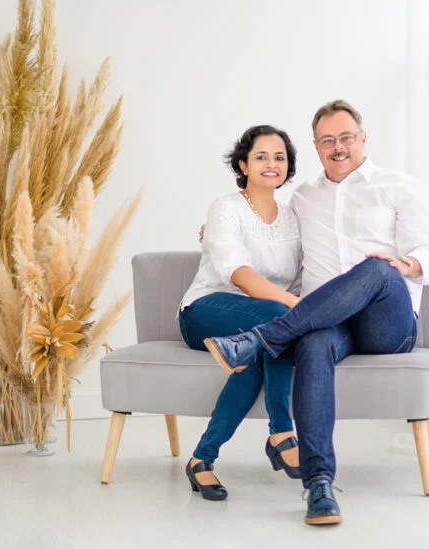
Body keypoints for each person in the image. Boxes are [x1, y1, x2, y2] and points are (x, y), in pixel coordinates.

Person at [204, 100, 429, 525]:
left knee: (376, 267)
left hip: (388, 321)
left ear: (362, 139)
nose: (338, 146)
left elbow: (428, 252)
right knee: (312, 345)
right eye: (328, 140)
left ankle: (261, 339)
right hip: (328, 322)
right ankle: (318, 485)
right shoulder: (303, 199)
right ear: (316, 147)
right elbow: (268, 232)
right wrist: (217, 231)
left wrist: (405, 265)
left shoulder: (398, 186)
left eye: (346, 137)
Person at [179, 125, 303, 501]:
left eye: (279, 157)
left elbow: (299, 276)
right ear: (243, 164)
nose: (271, 164)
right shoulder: (225, 208)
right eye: (261, 156)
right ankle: (282, 431)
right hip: (207, 310)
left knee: (260, 351)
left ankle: (202, 459)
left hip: (260, 325)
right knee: (278, 323)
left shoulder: (294, 217)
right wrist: (292, 306)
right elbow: (239, 275)